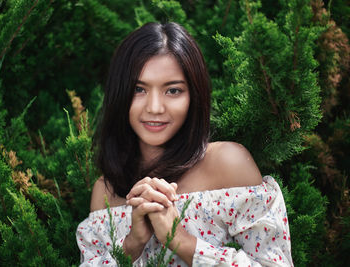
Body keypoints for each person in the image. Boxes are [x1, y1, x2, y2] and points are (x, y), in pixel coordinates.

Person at [76, 22, 293, 267]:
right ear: (119, 94)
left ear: (194, 95)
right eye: (139, 89)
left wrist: (181, 240)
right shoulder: (107, 191)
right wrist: (131, 244)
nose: (155, 107)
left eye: (173, 91)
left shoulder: (228, 164)